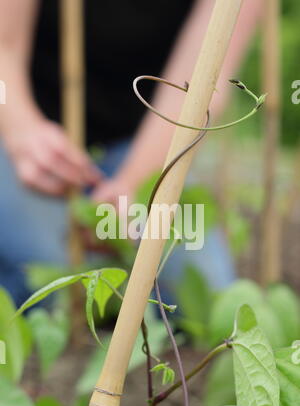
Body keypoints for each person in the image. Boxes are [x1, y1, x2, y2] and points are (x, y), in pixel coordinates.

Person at [0, 0, 262, 306]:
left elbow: (199, 85)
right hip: (20, 131)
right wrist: (22, 130)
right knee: (52, 282)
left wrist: (135, 185)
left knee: (206, 291)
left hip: (140, 142)